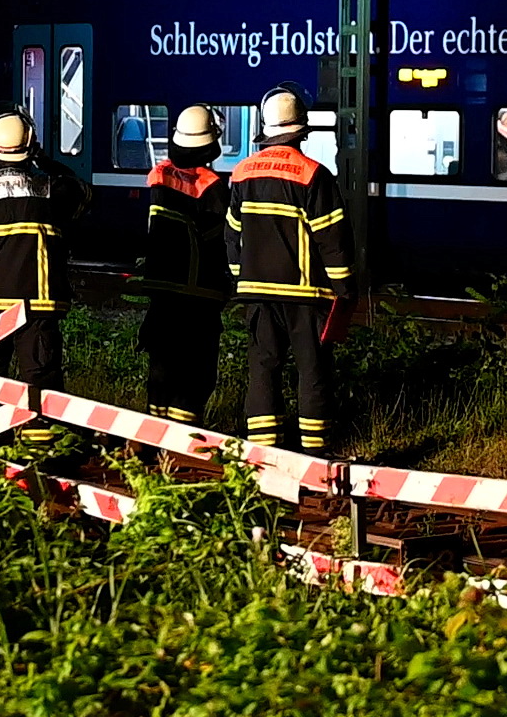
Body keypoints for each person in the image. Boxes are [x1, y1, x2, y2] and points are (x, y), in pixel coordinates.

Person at [226, 82, 356, 454]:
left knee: (263, 370)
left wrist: (241, 278)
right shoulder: (313, 175)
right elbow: (333, 239)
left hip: (256, 294)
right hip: (305, 296)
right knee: (312, 372)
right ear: (301, 131)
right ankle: (314, 454)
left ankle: (263, 453)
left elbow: (232, 235)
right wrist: (344, 289)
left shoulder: (242, 173)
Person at [0, 105, 90, 443]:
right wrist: (46, 162)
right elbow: (84, 194)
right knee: (41, 378)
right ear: (31, 147)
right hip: (37, 305)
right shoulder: (51, 192)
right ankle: (44, 448)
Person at [136, 104, 231, 426]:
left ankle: (155, 436)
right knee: (195, 370)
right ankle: (184, 439)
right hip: (199, 293)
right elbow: (220, 240)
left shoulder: (158, 174)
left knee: (161, 365)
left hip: (162, 289)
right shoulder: (213, 186)